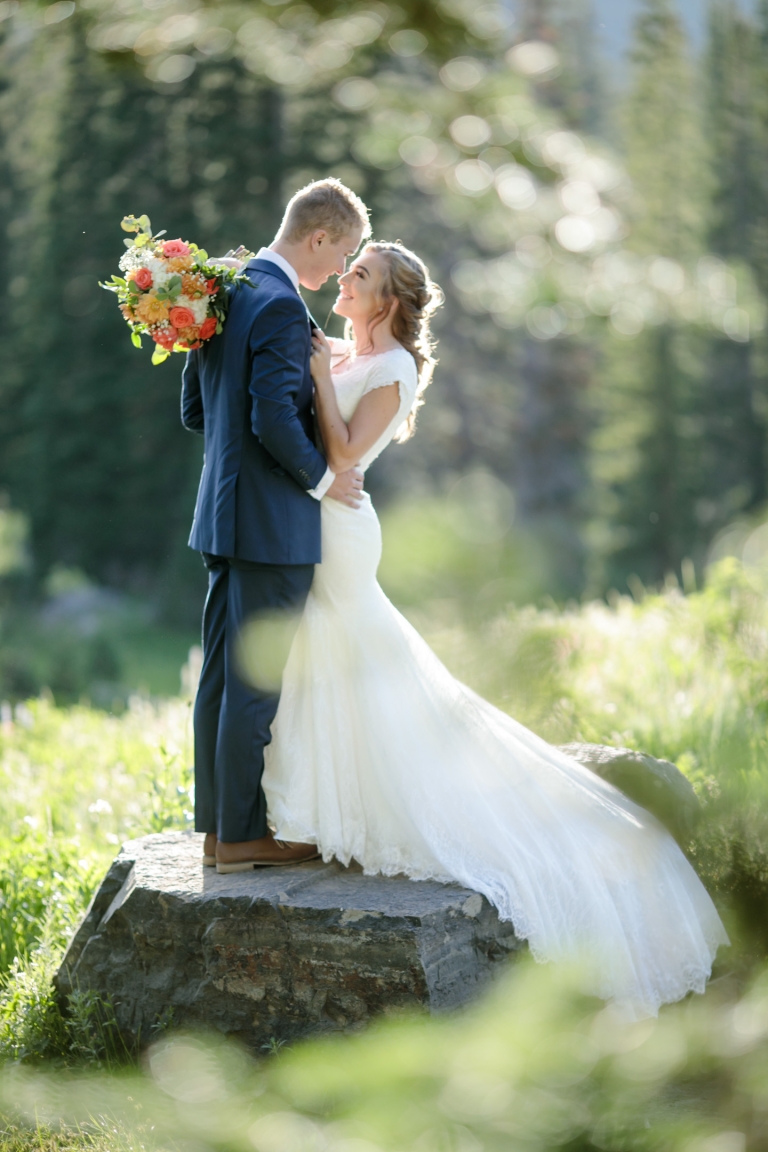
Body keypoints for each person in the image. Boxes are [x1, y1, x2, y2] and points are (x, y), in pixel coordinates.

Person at [259, 238, 729, 1018]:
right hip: (318, 522)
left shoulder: (396, 370)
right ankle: (317, 808)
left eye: (363, 275)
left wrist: (313, 374)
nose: (346, 278)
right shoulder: (345, 348)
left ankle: (374, 806)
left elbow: (344, 455)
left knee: (362, 660)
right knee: (336, 660)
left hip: (341, 529)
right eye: (349, 268)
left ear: (392, 302)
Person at [181, 178, 370, 871]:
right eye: (342, 253)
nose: (340, 271)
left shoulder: (226, 291)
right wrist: (325, 480)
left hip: (221, 517)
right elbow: (271, 420)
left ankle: (217, 830)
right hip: (272, 526)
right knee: (254, 687)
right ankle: (239, 839)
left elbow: (197, 413)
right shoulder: (285, 308)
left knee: (220, 682)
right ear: (318, 237)